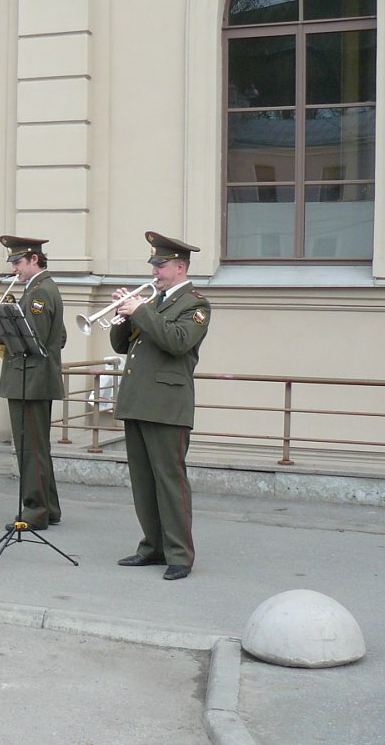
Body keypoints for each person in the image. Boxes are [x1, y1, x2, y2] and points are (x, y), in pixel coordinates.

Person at [109, 231, 212, 581]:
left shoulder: (195, 305)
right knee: (143, 481)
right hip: (138, 401)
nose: (154, 271)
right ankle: (152, 546)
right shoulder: (152, 302)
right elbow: (123, 346)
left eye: (161, 265)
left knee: (170, 482)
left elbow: (177, 342)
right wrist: (124, 314)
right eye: (154, 264)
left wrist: (141, 311)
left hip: (167, 405)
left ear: (180, 267)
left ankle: (180, 554)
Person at [0, 235, 66, 530]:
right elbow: (61, 336)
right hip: (30, 379)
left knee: (30, 449)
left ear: (34, 260)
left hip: (32, 379)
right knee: (37, 447)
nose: (15, 268)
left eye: (18, 262)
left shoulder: (40, 293)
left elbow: (34, 337)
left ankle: (35, 511)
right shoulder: (37, 289)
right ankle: (49, 507)